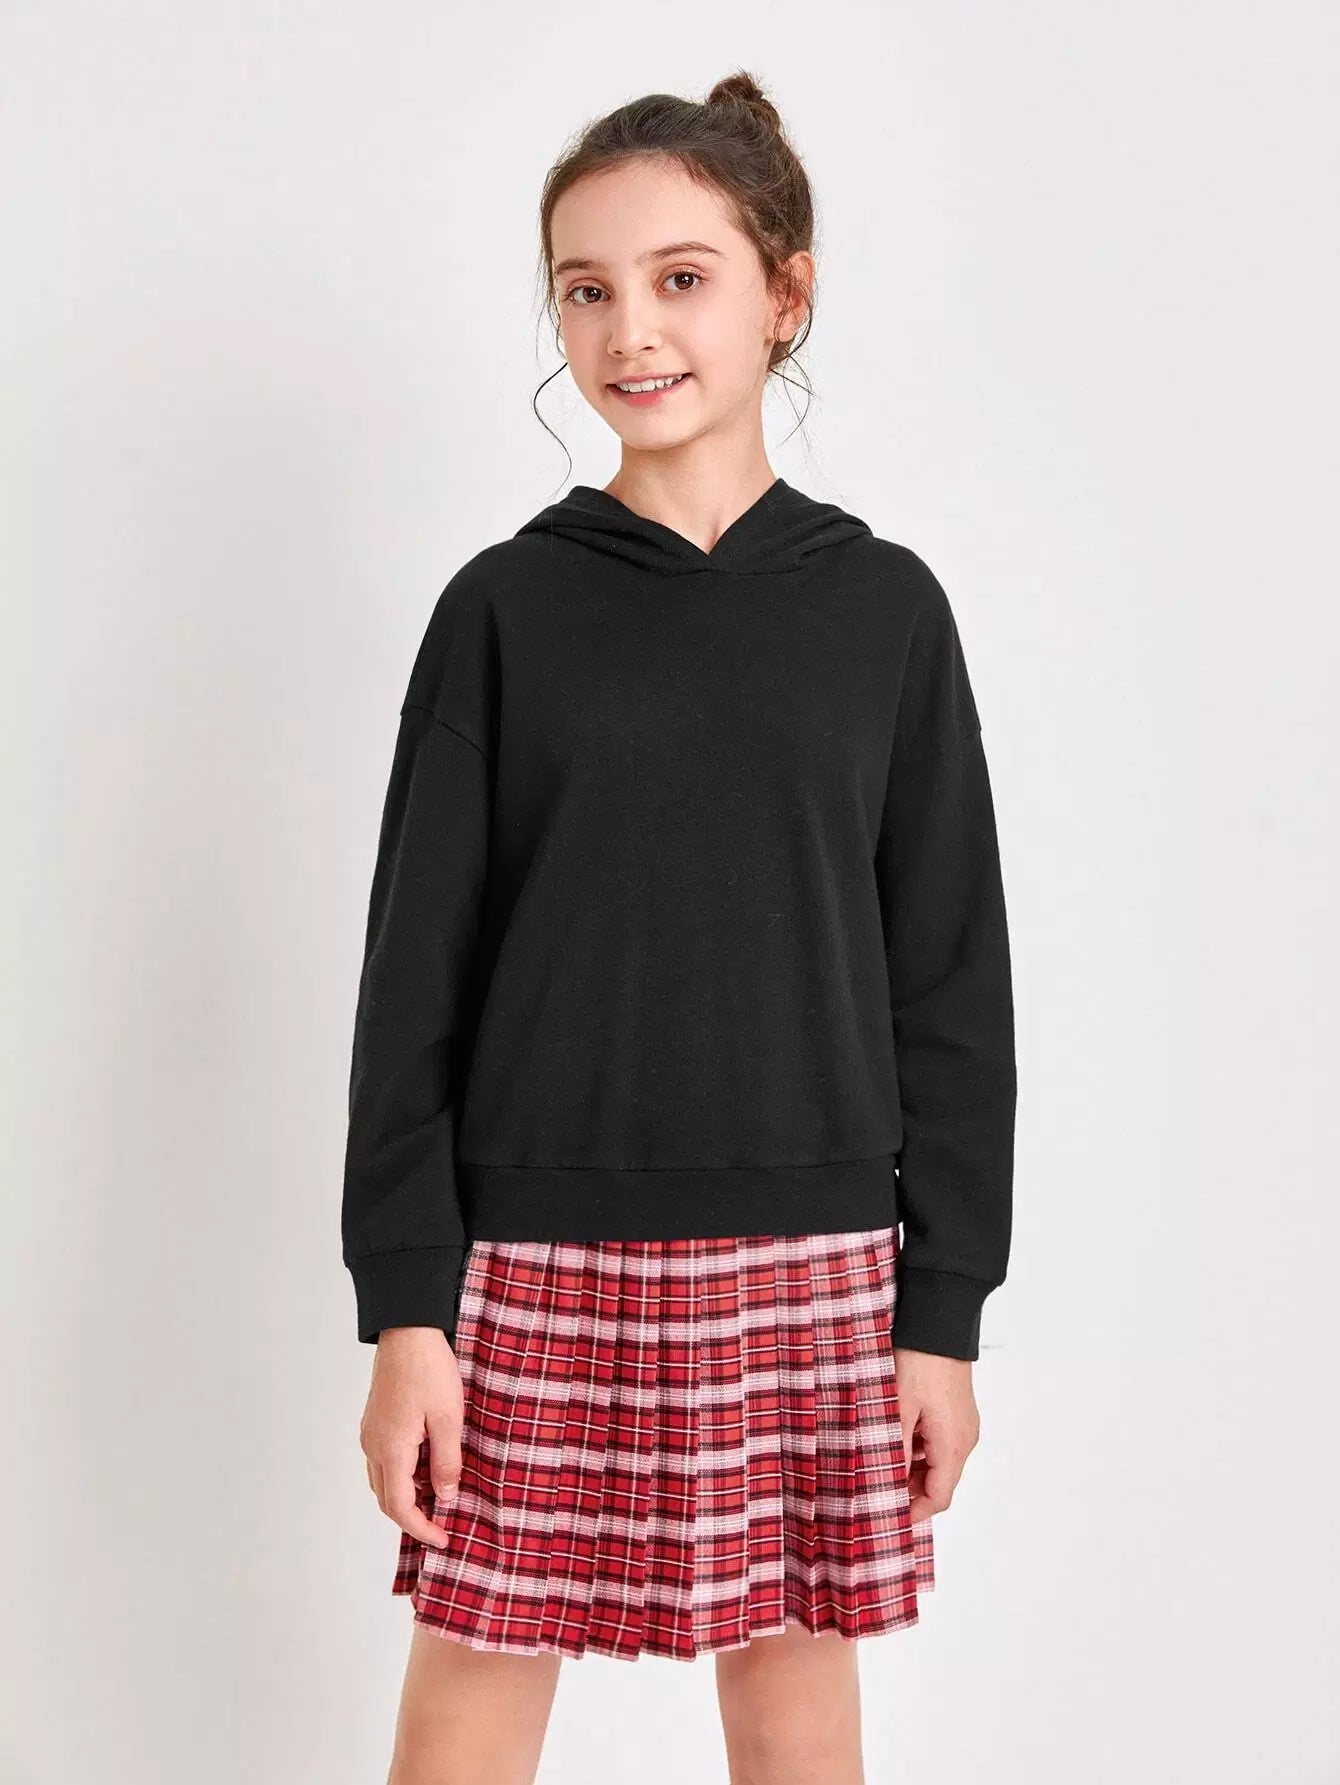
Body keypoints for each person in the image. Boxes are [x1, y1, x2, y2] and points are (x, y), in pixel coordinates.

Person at [341, 68, 1016, 1785]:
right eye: (586, 287)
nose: (629, 328)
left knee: (796, 1722)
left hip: (817, 1262)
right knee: (467, 1708)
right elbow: (411, 988)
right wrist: (407, 1308)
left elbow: (952, 987)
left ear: (786, 291)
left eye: (681, 277)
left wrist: (943, 1310)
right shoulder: (503, 611)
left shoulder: (885, 612)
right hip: (532, 1259)